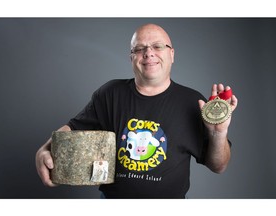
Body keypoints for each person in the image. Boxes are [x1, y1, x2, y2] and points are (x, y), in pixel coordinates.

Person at [35, 23, 238, 198]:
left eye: (158, 46)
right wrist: (43, 150)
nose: (148, 53)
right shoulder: (110, 93)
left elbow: (218, 166)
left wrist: (219, 134)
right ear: (131, 57)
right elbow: (72, 129)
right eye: (139, 48)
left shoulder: (193, 101)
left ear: (172, 54)